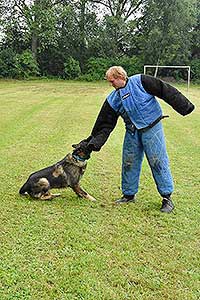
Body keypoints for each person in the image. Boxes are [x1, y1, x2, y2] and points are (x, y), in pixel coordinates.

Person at [72, 66, 195, 213]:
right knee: (129, 162)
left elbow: (165, 90)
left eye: (112, 81)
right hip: (132, 131)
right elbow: (104, 124)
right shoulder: (113, 99)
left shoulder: (141, 81)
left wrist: (185, 106)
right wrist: (91, 144)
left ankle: (167, 198)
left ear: (120, 77)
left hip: (152, 127)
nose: (110, 84)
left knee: (158, 161)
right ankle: (128, 195)